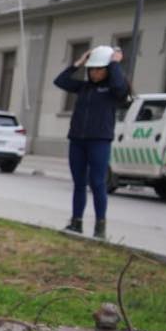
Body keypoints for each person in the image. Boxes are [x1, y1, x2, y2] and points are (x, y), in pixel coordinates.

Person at [53, 44, 128, 238]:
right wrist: (78, 63)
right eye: (91, 69)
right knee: (79, 183)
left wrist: (114, 64)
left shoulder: (112, 90)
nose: (94, 73)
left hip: (99, 141)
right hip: (77, 140)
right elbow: (60, 81)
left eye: (98, 69)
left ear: (106, 70)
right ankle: (76, 222)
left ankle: (100, 226)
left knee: (97, 183)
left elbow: (120, 87)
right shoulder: (84, 87)